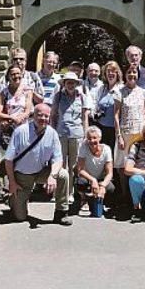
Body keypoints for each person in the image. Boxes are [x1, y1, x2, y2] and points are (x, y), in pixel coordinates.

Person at [5, 103, 71, 225]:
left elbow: (58, 159)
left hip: (41, 171)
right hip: (22, 176)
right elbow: (8, 160)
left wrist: (52, 176)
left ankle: (61, 213)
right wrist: (12, 182)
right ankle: (13, 201)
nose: (43, 119)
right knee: (20, 217)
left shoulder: (52, 134)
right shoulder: (20, 131)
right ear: (33, 116)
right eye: (40, 115)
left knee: (63, 174)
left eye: (46, 116)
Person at [51, 71, 91, 200]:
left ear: (76, 84)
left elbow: (85, 118)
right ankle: (58, 192)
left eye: (72, 83)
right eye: (68, 82)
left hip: (76, 134)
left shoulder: (82, 97)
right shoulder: (58, 96)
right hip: (61, 133)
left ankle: (70, 192)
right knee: (60, 164)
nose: (70, 85)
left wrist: (86, 134)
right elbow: (53, 115)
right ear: (64, 84)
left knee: (74, 166)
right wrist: (52, 131)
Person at [114, 65, 145, 201]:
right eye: (129, 72)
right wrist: (119, 136)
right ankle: (125, 195)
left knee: (139, 164)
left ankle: (140, 196)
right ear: (125, 75)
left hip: (140, 134)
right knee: (123, 166)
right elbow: (116, 115)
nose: (132, 75)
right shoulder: (119, 92)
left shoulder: (143, 92)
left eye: (134, 72)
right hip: (125, 133)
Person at [75, 126, 115, 214]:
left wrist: (103, 185)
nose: (92, 141)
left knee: (111, 188)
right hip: (87, 177)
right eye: (89, 138)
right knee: (80, 182)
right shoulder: (83, 147)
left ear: (100, 138)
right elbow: (80, 170)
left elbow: (110, 173)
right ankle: (84, 200)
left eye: (94, 138)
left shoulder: (107, 149)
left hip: (101, 178)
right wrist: (92, 180)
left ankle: (101, 201)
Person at [0, 64, 33, 153]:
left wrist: (20, 118)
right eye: (13, 74)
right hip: (7, 130)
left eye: (18, 73)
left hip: (22, 128)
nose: (16, 76)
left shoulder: (28, 91)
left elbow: (27, 111)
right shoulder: (3, 93)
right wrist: (12, 118)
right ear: (8, 76)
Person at [93, 61, 123, 151]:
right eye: (108, 71)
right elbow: (96, 105)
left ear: (118, 73)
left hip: (115, 130)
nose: (110, 73)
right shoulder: (102, 89)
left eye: (113, 71)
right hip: (101, 128)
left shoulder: (122, 89)